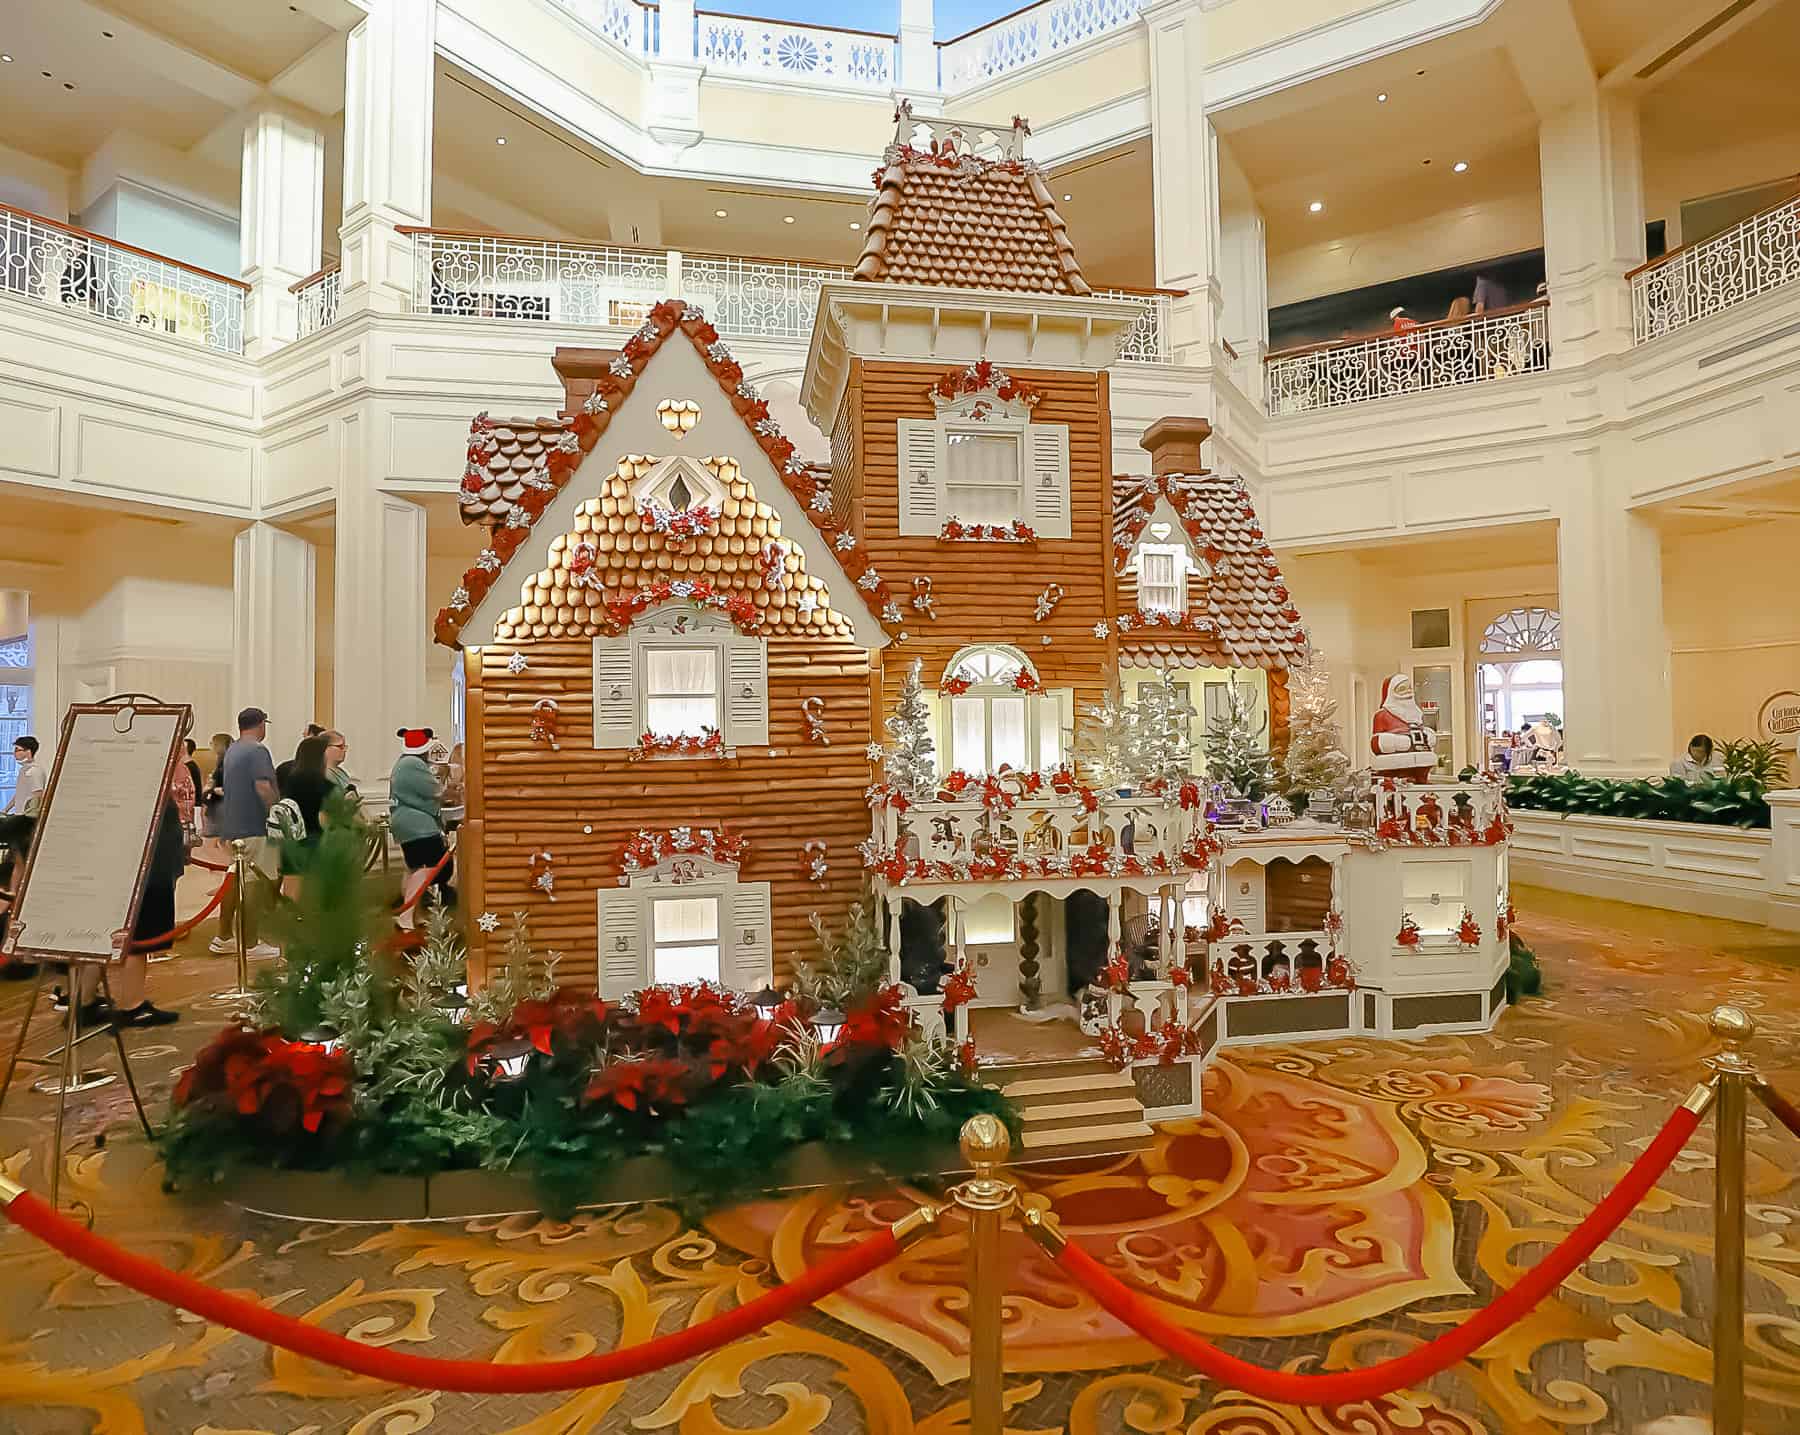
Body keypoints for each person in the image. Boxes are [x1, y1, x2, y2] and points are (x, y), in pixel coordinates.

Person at [209, 707, 281, 958]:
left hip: (234, 825)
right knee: (254, 885)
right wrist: (276, 812)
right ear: (261, 725)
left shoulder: (233, 750)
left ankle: (224, 935)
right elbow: (262, 785)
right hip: (255, 825)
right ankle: (250, 943)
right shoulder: (258, 751)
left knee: (234, 881)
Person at [390, 727, 451, 931]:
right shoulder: (413, 765)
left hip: (408, 822)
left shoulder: (404, 762)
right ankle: (406, 916)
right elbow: (435, 791)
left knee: (414, 868)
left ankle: (413, 915)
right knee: (426, 867)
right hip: (418, 825)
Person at [278, 735, 335, 892]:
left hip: (291, 839)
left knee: (292, 888)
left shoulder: (291, 779)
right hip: (314, 839)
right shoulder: (324, 784)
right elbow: (325, 817)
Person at [4, 735, 46, 817]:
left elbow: (38, 794)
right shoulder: (23, 770)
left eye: (17, 750)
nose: (14, 753)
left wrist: (29, 815)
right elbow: (20, 794)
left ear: (28, 752)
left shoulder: (34, 771)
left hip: (27, 817)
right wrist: (6, 810)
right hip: (19, 815)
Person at [323, 730, 357, 799]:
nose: (344, 750)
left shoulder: (341, 771)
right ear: (325, 748)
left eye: (345, 747)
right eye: (340, 746)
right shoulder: (324, 773)